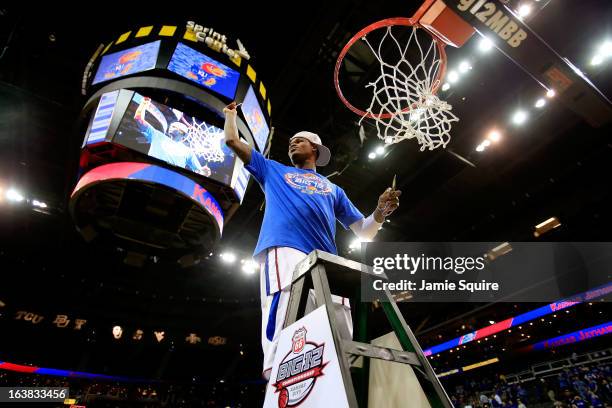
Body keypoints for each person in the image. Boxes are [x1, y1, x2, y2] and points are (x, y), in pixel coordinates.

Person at [223, 101, 401, 380]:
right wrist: (230, 115)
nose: (292, 144)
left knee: (340, 313)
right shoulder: (272, 170)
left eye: (300, 141)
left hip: (326, 257)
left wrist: (380, 211)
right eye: (291, 142)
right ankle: (278, 372)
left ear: (315, 149)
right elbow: (233, 141)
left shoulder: (333, 188)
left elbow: (364, 232)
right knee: (284, 303)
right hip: (283, 248)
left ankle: (344, 371)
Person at [134, 97, 204, 174]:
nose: (171, 127)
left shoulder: (188, 152)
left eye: (175, 127)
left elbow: (200, 171)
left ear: (183, 134)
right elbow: (138, 118)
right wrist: (144, 103)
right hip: (149, 173)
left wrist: (204, 172)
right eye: (171, 126)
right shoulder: (156, 134)